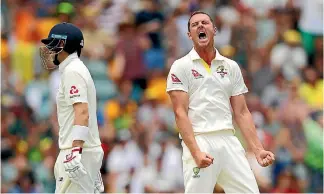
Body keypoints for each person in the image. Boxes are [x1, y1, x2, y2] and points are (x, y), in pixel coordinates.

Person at [166, 11, 275, 193]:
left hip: (228, 140)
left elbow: (241, 112)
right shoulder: (181, 66)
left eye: (205, 23)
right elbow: (180, 113)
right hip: (200, 139)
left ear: (214, 30)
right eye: (194, 25)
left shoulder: (231, 66)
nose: (200, 26)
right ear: (189, 35)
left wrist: (258, 150)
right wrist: (196, 152)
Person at [40, 22, 104, 193]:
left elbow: (82, 112)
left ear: (62, 44)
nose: (50, 50)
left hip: (76, 152)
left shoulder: (73, 71)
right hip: (83, 151)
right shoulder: (75, 69)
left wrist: (76, 151)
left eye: (53, 45)